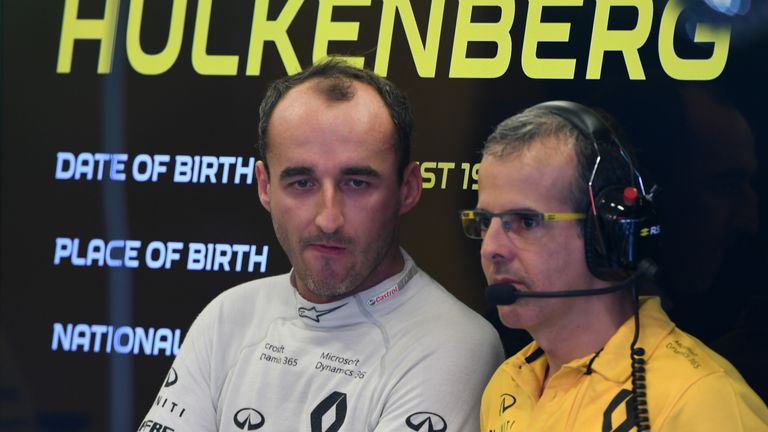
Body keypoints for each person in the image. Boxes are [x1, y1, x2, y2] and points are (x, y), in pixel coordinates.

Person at [140, 59, 504, 431]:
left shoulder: (454, 344)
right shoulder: (228, 316)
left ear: (407, 189)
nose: (328, 219)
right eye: (302, 183)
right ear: (265, 186)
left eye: (357, 183)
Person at [460, 101, 768, 431]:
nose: (491, 248)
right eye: (484, 221)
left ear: (606, 231)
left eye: (526, 222)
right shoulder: (509, 384)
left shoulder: (702, 401)